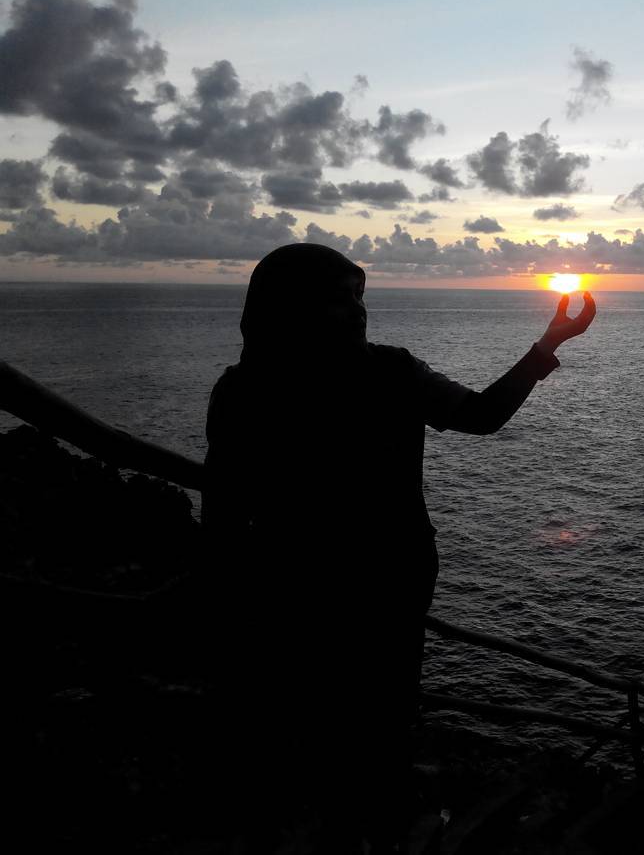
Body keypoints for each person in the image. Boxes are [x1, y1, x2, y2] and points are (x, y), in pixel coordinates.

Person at [201, 243, 595, 851]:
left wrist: (549, 346)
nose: (356, 313)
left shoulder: (246, 389)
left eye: (359, 298)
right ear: (290, 309)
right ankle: (370, 825)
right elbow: (224, 514)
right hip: (360, 581)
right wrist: (547, 347)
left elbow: (223, 518)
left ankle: (344, 819)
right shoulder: (385, 374)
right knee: (373, 715)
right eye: (338, 300)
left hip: (329, 583)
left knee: (343, 714)